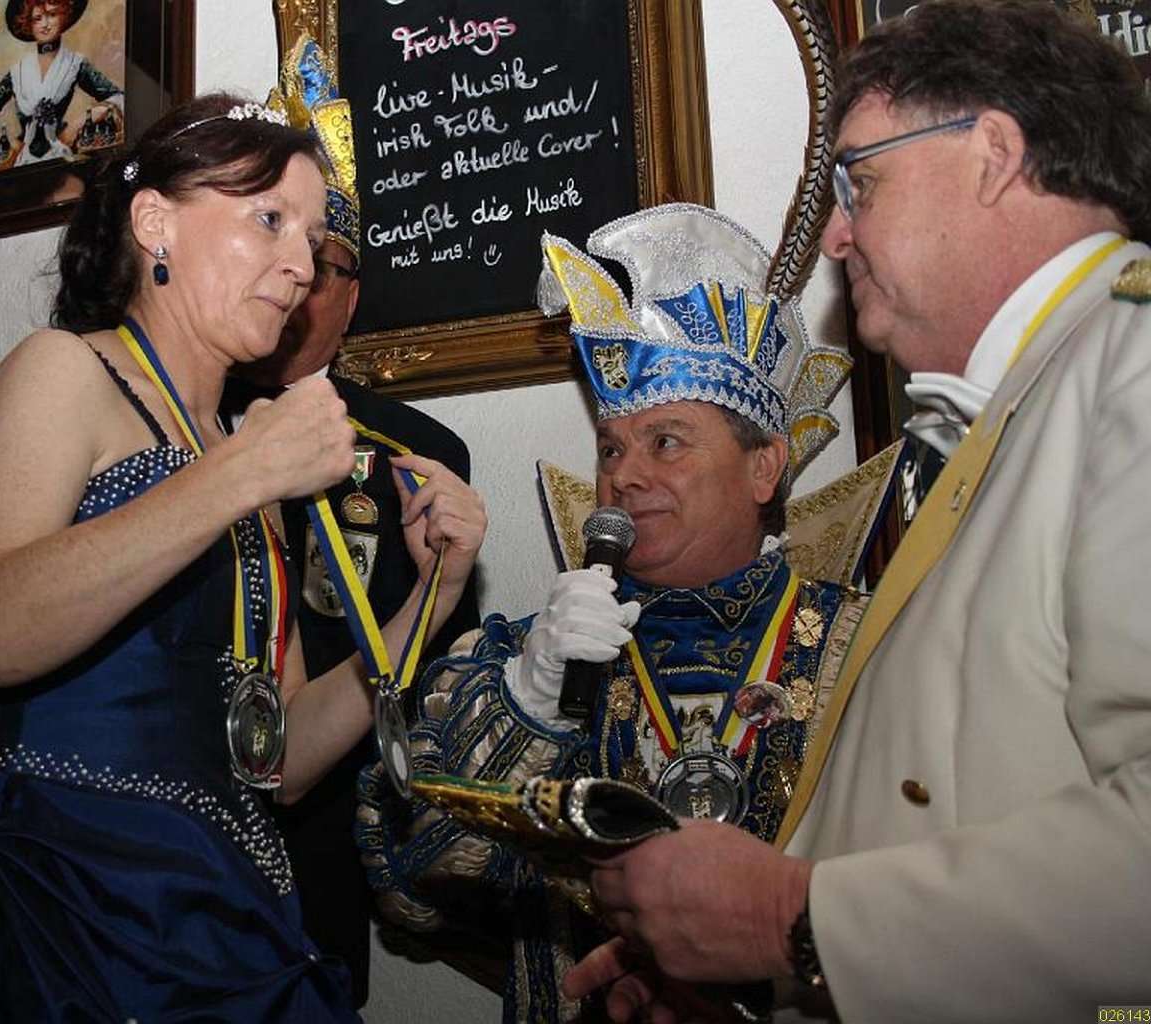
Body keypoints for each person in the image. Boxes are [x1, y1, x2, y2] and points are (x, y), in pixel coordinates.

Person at [565, 3, 1151, 1021]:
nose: (837, 234)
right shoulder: (1027, 406)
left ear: (993, 155)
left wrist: (796, 921)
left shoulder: (1131, 365)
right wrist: (758, 981)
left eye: (859, 181)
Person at [0, 92, 486, 1022]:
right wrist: (237, 476)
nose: (299, 266)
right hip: (58, 901)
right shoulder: (67, 370)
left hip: (222, 911)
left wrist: (428, 599)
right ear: (156, 222)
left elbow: (281, 756)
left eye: (313, 239)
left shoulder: (238, 454)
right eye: (270, 220)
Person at [356, 202, 865, 1023]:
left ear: (764, 467)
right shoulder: (529, 659)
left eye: (666, 441)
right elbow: (410, 884)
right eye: (610, 448)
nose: (623, 475)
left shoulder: (869, 647)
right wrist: (526, 703)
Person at [217, 35, 483, 1010]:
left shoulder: (420, 455)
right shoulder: (178, 416)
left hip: (318, 840)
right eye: (270, 242)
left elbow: (429, 682)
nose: (293, 281)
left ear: (354, 292)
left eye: (322, 262)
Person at [0, 0, 123, 171]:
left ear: (64, 17)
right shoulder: (18, 72)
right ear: (28, 23)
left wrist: (88, 118)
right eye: (37, 18)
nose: (45, 24)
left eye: (52, 15)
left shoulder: (74, 64)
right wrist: (3, 139)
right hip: (21, 165)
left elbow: (119, 98)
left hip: (62, 158)